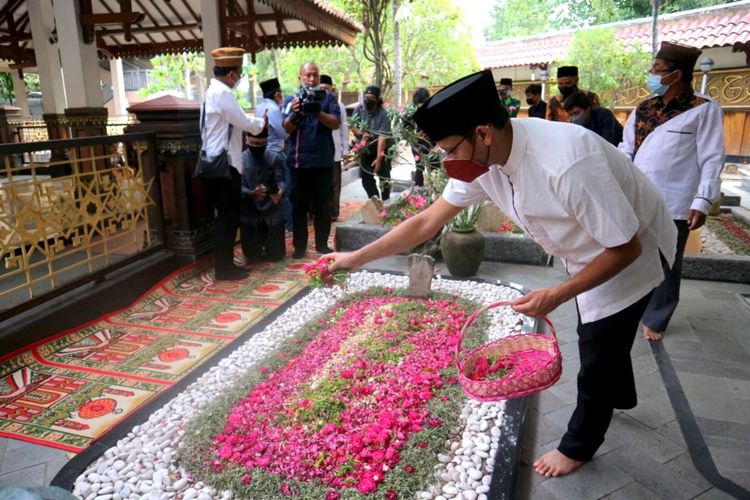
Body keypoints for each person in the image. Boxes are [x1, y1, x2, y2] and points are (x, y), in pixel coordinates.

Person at [328, 69, 676, 478]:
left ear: (483, 133)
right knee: (605, 336)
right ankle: (619, 393)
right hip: (590, 247)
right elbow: (425, 223)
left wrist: (559, 293)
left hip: (631, 250)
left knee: (597, 343)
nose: (446, 159)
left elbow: (625, 247)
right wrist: (356, 258)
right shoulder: (485, 161)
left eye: (449, 148)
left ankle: (580, 443)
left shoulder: (565, 163)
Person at [619, 41, 725, 341]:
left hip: (676, 200)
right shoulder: (644, 108)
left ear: (676, 75)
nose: (651, 76)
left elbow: (712, 157)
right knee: (632, 253)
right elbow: (626, 150)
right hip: (637, 195)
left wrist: (703, 200)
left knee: (667, 259)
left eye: (657, 71)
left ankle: (657, 317)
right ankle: (632, 303)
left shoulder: (703, 109)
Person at [201, 47, 267, 281]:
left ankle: (226, 265)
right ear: (232, 75)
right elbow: (243, 121)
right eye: (238, 74)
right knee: (228, 219)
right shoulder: (222, 94)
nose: (238, 79)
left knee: (226, 218)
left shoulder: (212, 91)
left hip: (215, 163)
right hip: (225, 166)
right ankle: (224, 268)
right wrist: (262, 123)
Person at [282, 62, 341, 258]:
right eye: (308, 75)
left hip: (323, 162)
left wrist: (318, 112)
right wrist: (295, 113)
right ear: (300, 77)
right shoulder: (292, 99)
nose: (312, 78)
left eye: (315, 75)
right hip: (299, 164)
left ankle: (322, 245)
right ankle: (300, 247)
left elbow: (336, 123)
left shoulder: (329, 98)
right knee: (299, 207)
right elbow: (286, 128)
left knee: (323, 207)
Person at [239, 127, 287, 263]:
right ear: (246, 140)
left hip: (271, 211)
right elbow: (238, 187)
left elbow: (281, 181)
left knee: (276, 256)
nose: (257, 147)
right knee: (252, 257)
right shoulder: (239, 159)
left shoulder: (274, 158)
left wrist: (279, 192)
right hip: (249, 212)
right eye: (254, 144)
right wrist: (252, 193)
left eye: (261, 145)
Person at [256, 77, 292, 231]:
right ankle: (289, 225)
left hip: (262, 153)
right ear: (277, 94)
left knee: (270, 190)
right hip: (275, 154)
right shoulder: (273, 108)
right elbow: (284, 134)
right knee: (284, 190)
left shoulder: (259, 107)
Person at [351, 86, 394, 201]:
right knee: (366, 177)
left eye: (372, 97)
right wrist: (361, 135)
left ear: (378, 99)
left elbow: (382, 138)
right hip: (367, 146)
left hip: (383, 147)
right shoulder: (359, 109)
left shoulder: (383, 114)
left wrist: (379, 159)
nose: (368, 100)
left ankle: (386, 201)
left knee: (384, 176)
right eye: (366, 97)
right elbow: (353, 125)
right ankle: (375, 201)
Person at [319, 74, 349, 221]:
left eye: (326, 88)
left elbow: (344, 129)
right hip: (318, 153)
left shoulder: (339, 106)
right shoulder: (314, 104)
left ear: (332, 89)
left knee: (334, 185)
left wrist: (345, 150)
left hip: (335, 153)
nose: (324, 91)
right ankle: (318, 212)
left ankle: (333, 213)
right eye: (321, 88)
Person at [408, 87, 432, 187]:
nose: (420, 105)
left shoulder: (434, 109)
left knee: (435, 170)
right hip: (418, 145)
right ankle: (419, 194)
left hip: (432, 145)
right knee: (419, 169)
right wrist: (414, 135)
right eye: (419, 103)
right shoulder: (412, 111)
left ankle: (436, 193)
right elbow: (406, 128)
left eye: (423, 102)